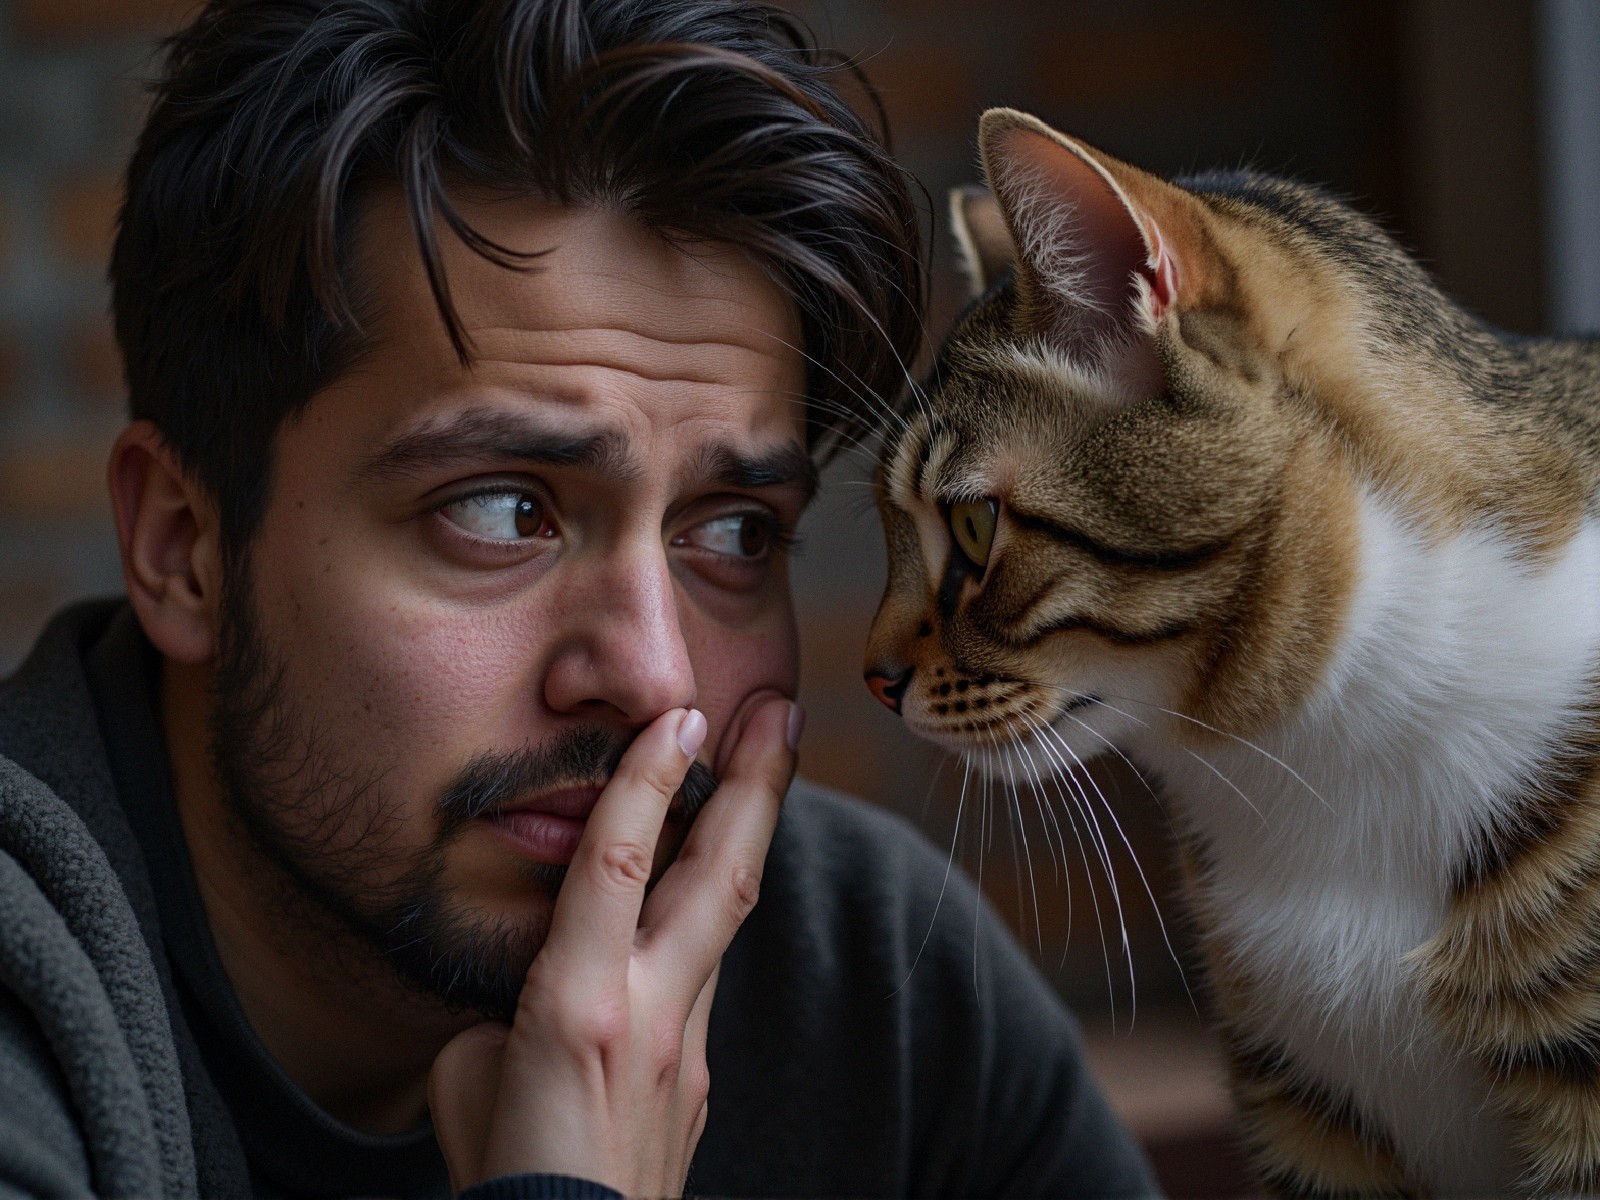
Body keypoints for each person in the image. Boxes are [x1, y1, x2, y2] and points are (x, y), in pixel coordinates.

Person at [0, 0, 1158, 1196]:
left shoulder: (875, 981)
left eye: (732, 532)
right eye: (504, 513)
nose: (655, 678)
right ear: (183, 547)